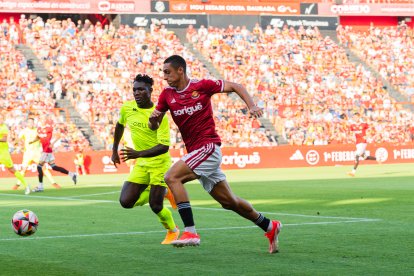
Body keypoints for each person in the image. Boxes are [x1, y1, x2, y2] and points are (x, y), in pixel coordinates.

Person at [149, 55, 282, 253]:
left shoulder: (202, 85)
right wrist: (153, 120)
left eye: (167, 72)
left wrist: (251, 105)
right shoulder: (166, 95)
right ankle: (270, 226)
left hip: (209, 147)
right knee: (229, 202)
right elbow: (154, 125)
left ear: (180, 70)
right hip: (196, 152)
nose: (164, 76)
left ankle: (191, 232)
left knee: (171, 177)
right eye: (163, 72)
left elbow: (236, 86)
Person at [111, 74, 179, 245]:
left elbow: (164, 146)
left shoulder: (159, 114)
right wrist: (114, 150)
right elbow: (119, 125)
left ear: (150, 90)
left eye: (141, 89)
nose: (137, 93)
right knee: (125, 202)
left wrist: (138, 154)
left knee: (155, 206)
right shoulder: (127, 108)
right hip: (141, 162)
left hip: (159, 163)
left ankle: (172, 230)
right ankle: (163, 192)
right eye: (134, 89)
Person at [31, 116, 77, 192]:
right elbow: (38, 137)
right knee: (54, 167)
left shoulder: (49, 128)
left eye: (43, 119)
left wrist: (52, 143)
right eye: (40, 119)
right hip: (46, 151)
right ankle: (72, 174)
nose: (42, 120)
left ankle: (40, 187)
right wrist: (33, 141)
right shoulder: (39, 129)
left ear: (45, 121)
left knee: (39, 167)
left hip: (47, 150)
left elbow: (58, 135)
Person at [12, 117, 58, 190]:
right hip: (27, 154)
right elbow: (18, 139)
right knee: (24, 169)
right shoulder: (24, 131)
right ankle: (18, 184)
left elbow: (43, 137)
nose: (31, 124)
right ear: (27, 123)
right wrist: (16, 141)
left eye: (32, 122)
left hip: (37, 153)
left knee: (44, 168)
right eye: (29, 122)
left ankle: (53, 183)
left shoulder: (37, 130)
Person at [0, 113, 30, 195]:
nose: (0, 120)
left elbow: (4, 139)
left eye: (1, 119)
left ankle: (26, 185)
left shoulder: (4, 128)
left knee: (12, 170)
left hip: (3, 153)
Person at [347, 112, 380, 177]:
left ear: (359, 117)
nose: (354, 118)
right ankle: (377, 159)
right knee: (365, 157)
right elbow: (350, 133)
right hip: (357, 143)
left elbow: (371, 130)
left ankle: (353, 172)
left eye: (356, 117)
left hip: (363, 142)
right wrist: (350, 136)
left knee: (356, 155)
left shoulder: (364, 124)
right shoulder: (352, 125)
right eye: (354, 117)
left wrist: (367, 136)